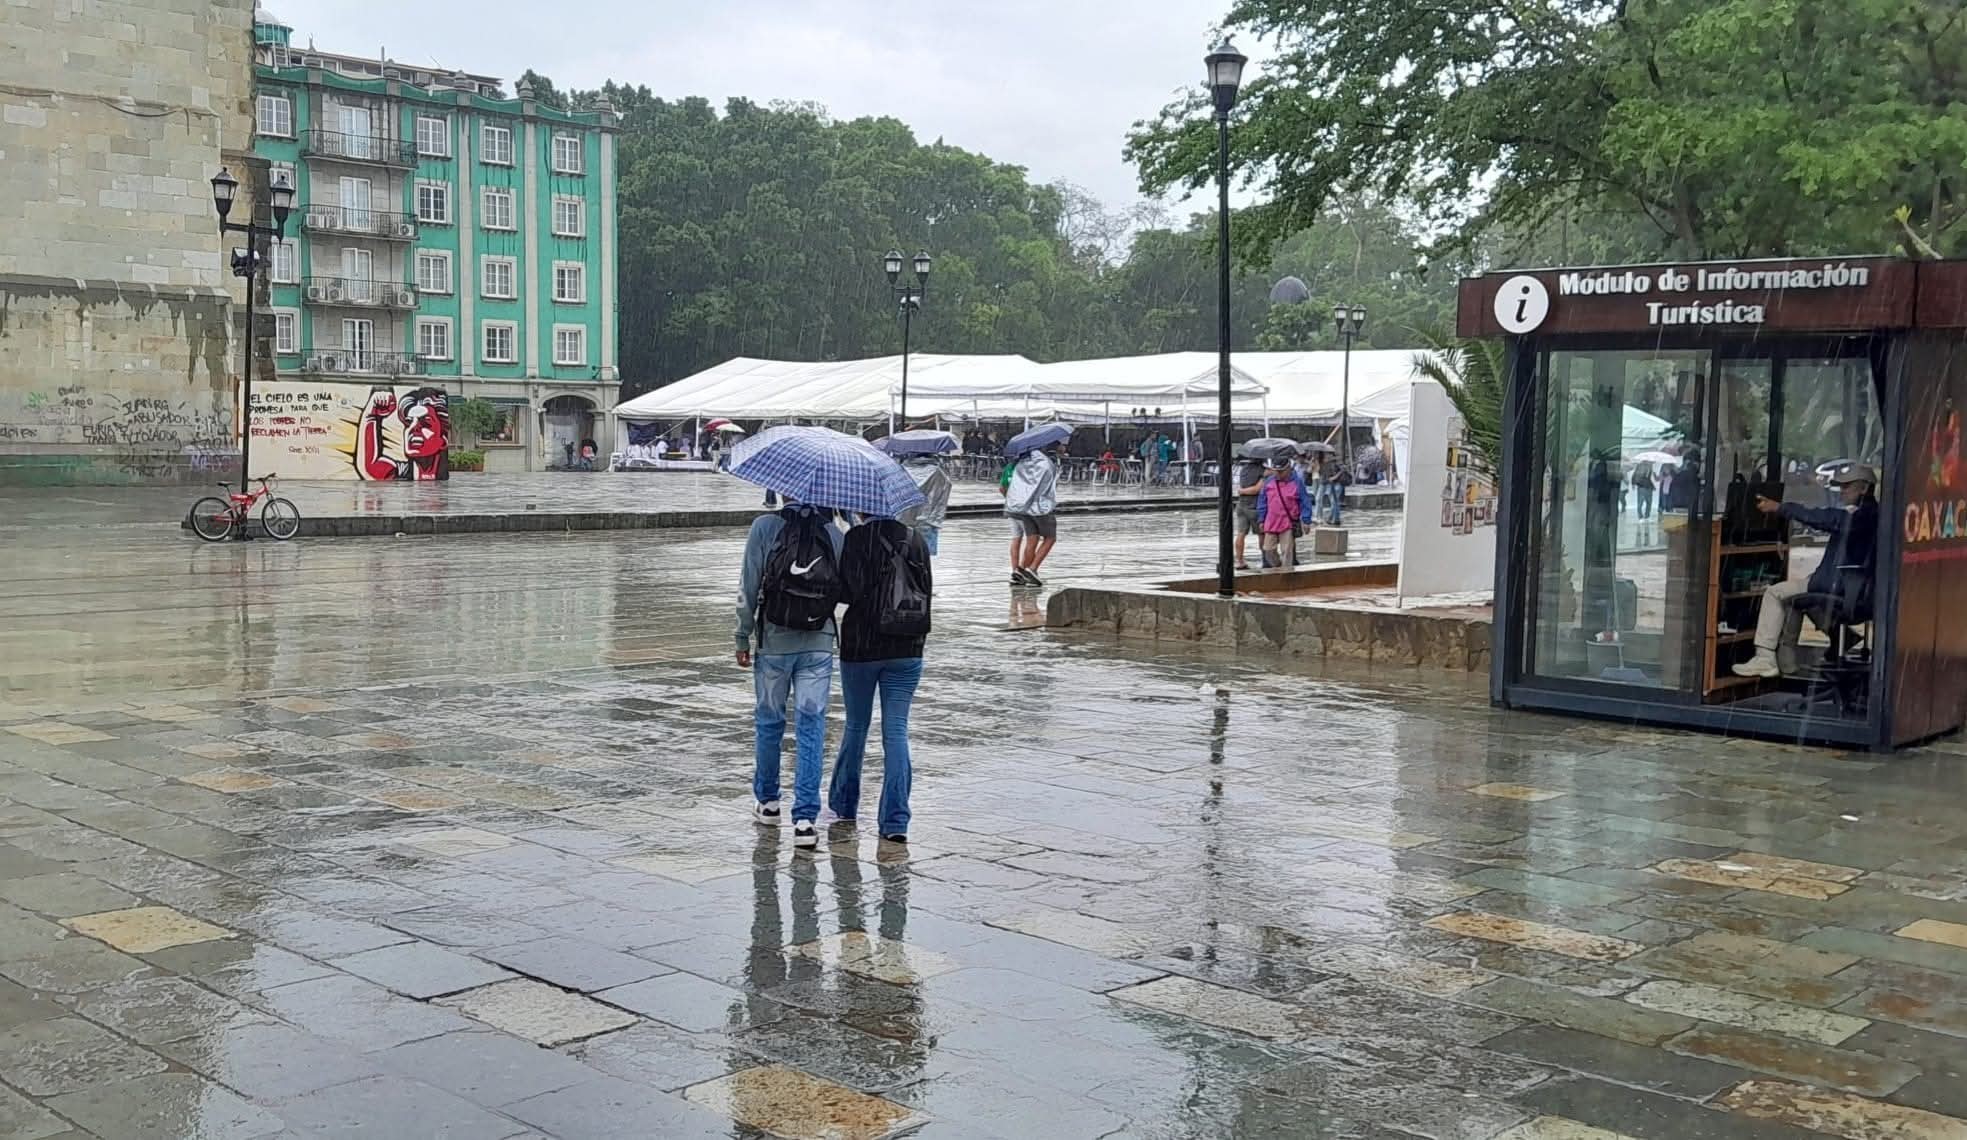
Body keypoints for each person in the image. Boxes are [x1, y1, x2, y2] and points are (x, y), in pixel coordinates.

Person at [735, 499, 845, 848]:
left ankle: (768, 803)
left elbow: (748, 585)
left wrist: (742, 634)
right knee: (812, 724)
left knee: (769, 722)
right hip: (818, 643)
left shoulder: (764, 528)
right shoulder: (834, 534)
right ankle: (805, 820)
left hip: (773, 642)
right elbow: (840, 592)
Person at [829, 516, 932, 843]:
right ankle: (895, 820)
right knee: (896, 730)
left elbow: (846, 591)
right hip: (908, 646)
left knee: (857, 725)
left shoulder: (858, 538)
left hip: (862, 647)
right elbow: (925, 588)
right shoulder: (916, 539)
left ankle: (845, 804)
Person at [1732, 463, 1880, 679]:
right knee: (1793, 597)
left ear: (1864, 489)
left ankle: (1765, 658)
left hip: (1840, 588)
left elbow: (1824, 518)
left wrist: (1782, 508)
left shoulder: (1862, 517)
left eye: (1847, 486)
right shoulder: (1869, 515)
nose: (1842, 491)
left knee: (1775, 593)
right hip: (1847, 588)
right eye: (1841, 486)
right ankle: (1789, 663)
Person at [1004, 443, 1061, 587]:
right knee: (1050, 538)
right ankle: (1033, 568)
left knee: (1031, 539)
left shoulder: (1021, 464)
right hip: (1041, 508)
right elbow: (1050, 486)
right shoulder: (1047, 464)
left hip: (1023, 509)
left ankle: (1021, 569)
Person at [1254, 456, 1312, 569]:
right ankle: (1278, 566)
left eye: (1281, 472)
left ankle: (1286, 575)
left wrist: (1306, 520)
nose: (1278, 474)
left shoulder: (1297, 482)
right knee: (1268, 550)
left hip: (1288, 523)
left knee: (1287, 552)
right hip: (1271, 522)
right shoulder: (1268, 483)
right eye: (1276, 471)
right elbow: (1262, 501)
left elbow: (1305, 502)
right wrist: (1261, 519)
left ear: (1288, 469)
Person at [898, 456, 951, 555]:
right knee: (925, 556)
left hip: (904, 519)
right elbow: (944, 492)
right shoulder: (938, 471)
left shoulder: (901, 470)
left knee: (904, 555)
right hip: (928, 520)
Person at [1233, 455, 1265, 569]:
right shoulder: (1263, 471)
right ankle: (1265, 559)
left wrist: (1241, 491)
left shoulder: (1243, 469)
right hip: (1254, 506)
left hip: (1241, 505)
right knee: (1262, 534)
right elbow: (1256, 489)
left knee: (1241, 533)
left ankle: (1239, 560)